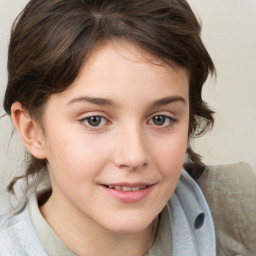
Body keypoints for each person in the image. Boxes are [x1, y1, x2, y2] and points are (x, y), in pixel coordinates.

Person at [0, 0, 255, 255]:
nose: (134, 156)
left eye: (160, 119)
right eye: (94, 120)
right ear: (32, 131)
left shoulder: (241, 212)